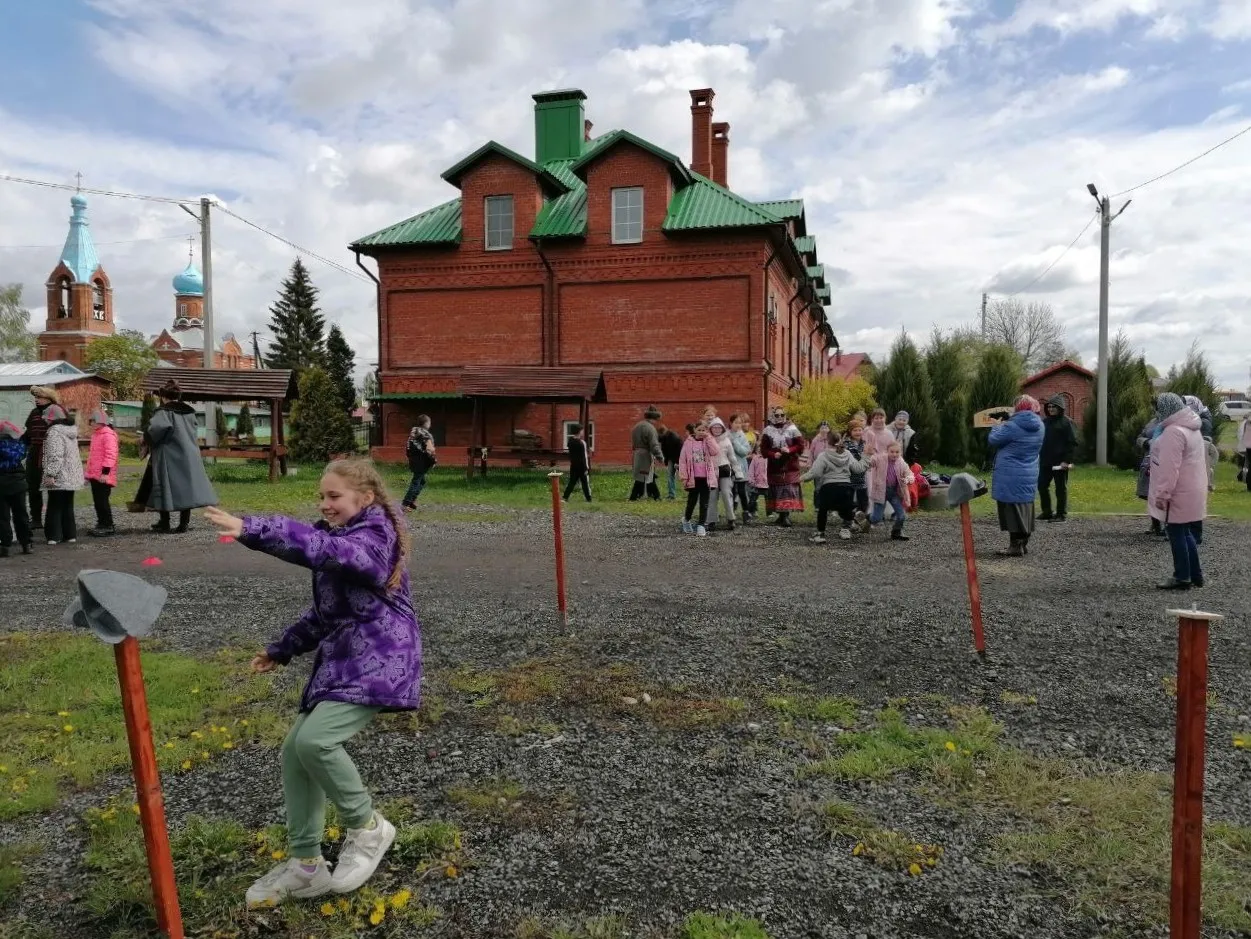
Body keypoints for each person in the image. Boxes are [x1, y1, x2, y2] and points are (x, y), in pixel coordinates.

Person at [203, 459, 420, 907]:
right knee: (295, 751)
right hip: (342, 661)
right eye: (321, 497)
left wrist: (253, 528)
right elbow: (326, 614)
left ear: (366, 498)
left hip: (382, 659)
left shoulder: (374, 539)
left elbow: (325, 551)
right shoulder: (339, 538)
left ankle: (368, 827)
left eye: (334, 496)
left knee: (317, 742)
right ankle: (306, 867)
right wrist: (281, 649)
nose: (325, 504)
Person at [134, 381, 218, 532]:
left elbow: (156, 429)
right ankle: (183, 524)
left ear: (164, 397)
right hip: (189, 455)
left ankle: (164, 523)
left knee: (164, 486)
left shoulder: (164, 411)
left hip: (169, 456)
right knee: (187, 488)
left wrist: (145, 438)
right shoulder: (190, 412)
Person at [1149, 393, 1208, 590]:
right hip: (1193, 489)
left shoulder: (1173, 431)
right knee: (1185, 532)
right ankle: (1195, 574)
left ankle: (1182, 576)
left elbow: (1169, 468)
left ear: (1165, 409)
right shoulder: (1192, 427)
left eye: (1157, 408)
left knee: (1176, 533)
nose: (1156, 413)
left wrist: (1162, 494)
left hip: (1178, 491)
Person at [988, 395, 1044, 557]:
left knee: (1011, 511)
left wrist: (996, 425)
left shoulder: (1013, 426)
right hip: (1029, 472)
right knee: (1025, 509)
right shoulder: (1040, 425)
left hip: (1010, 474)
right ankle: (1023, 543)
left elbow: (994, 439)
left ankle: (1015, 547)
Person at [801, 431, 866, 543]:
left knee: (823, 510)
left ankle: (820, 534)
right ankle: (854, 516)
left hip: (829, 487)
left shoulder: (824, 455)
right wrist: (867, 457)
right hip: (846, 487)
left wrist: (802, 478)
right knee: (844, 508)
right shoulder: (847, 454)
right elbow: (858, 469)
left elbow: (815, 473)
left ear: (827, 441)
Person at [41, 404, 84, 546]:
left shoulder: (54, 432)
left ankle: (54, 536)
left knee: (54, 505)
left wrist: (50, 474)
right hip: (72, 475)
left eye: (46, 418)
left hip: (60, 474)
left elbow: (56, 455)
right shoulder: (70, 431)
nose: (45, 420)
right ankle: (70, 535)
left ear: (52, 419)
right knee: (67, 505)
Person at [760, 407, 806, 526]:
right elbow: (763, 449)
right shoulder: (768, 430)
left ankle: (785, 515)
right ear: (773, 416)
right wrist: (773, 454)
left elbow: (801, 445)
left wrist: (790, 450)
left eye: (782, 415)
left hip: (790, 464)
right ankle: (781, 515)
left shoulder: (792, 428)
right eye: (777, 415)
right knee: (776, 489)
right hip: (774, 465)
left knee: (787, 488)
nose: (780, 417)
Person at [22, 386, 58, 530]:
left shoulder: (56, 411)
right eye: (35, 398)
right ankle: (36, 519)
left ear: (48, 398)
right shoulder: (34, 413)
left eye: (39, 397)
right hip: (34, 453)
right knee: (33, 488)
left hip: (51, 453)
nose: (36, 400)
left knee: (53, 489)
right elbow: (28, 434)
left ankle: (54, 521)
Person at [1038, 395, 1077, 522]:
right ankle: (1047, 512)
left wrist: (1067, 460)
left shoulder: (1067, 422)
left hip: (1060, 462)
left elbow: (1072, 442)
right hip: (1045, 461)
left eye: (1053, 406)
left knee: (1060, 488)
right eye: (1049, 406)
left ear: (1060, 408)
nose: (1050, 409)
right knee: (1042, 486)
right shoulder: (1045, 422)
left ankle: (1061, 514)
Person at [868, 441, 915, 541]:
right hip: (881, 491)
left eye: (897, 452)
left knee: (901, 516)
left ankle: (896, 532)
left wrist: (907, 479)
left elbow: (910, 474)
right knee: (876, 518)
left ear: (900, 453)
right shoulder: (880, 458)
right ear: (887, 451)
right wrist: (868, 454)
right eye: (892, 452)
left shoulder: (901, 463)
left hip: (894, 492)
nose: (894, 454)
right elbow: (870, 462)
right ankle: (868, 518)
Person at [0, 421, 33, 557]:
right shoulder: (19, 446)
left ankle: (5, 545)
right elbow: (24, 454)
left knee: (2, 517)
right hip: (18, 484)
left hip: (1, 484)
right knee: (21, 514)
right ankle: (26, 543)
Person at [85, 407, 119, 537]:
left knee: (102, 501)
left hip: (103, 475)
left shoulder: (108, 435)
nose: (91, 424)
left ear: (101, 421)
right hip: (96, 474)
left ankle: (108, 525)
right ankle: (101, 523)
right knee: (98, 501)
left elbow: (111, 455)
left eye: (93, 421)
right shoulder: (97, 435)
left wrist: (105, 473)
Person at [678, 421, 716, 536]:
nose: (701, 432)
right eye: (699, 430)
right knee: (692, 502)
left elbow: (715, 451)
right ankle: (686, 519)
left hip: (706, 478)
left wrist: (709, 438)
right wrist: (684, 476)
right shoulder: (688, 443)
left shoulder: (708, 441)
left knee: (704, 503)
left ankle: (701, 525)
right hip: (693, 479)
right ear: (694, 430)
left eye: (704, 430)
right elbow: (682, 460)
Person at [703, 418, 737, 531]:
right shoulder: (706, 440)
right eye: (714, 427)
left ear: (722, 428)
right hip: (711, 471)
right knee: (712, 496)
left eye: (719, 427)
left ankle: (731, 518)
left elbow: (732, 457)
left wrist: (738, 471)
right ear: (711, 428)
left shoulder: (727, 441)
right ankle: (711, 520)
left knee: (727, 495)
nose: (717, 429)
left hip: (724, 470)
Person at [1136, 411, 1165, 536]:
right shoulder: (1152, 422)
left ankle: (1168, 526)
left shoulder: (1174, 423)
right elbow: (1140, 437)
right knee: (1150, 494)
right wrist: (1146, 442)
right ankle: (1155, 524)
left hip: (1165, 461)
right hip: (1149, 461)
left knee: (1164, 495)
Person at [1183, 395, 1218, 492]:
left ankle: (1206, 485)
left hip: (1203, 446)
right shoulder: (1202, 416)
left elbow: (1205, 441)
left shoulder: (1203, 420)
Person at [629, 406, 664, 501]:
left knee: (644, 476)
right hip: (645, 454)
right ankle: (636, 496)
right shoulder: (650, 428)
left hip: (637, 453)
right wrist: (660, 456)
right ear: (655, 418)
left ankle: (649, 495)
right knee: (645, 476)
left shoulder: (637, 426)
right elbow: (654, 445)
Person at [402, 417, 436, 510]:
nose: (430, 424)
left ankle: (411, 501)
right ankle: (405, 504)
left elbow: (408, 448)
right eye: (429, 422)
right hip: (422, 461)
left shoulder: (413, 433)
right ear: (426, 423)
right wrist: (433, 460)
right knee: (416, 482)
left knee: (421, 481)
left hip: (413, 460)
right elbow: (430, 449)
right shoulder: (425, 434)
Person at [845, 419, 871, 532]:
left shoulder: (865, 443)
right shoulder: (846, 444)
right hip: (849, 478)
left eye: (860, 430)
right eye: (855, 430)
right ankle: (848, 523)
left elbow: (870, 456)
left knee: (864, 503)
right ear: (850, 432)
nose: (858, 432)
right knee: (849, 503)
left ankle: (857, 521)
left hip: (862, 479)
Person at [728, 413, 752, 519]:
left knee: (742, 491)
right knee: (732, 490)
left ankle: (746, 511)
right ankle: (732, 511)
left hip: (741, 467)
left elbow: (745, 451)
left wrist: (735, 443)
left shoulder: (742, 436)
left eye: (740, 423)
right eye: (736, 422)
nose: (738, 425)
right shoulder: (726, 435)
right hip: (730, 467)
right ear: (731, 423)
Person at [563, 422, 591, 503]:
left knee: (572, 482)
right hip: (581, 466)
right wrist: (586, 467)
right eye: (582, 430)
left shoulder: (570, 441)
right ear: (579, 431)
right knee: (585, 483)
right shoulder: (581, 443)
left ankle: (565, 497)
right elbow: (583, 457)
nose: (582, 432)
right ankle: (588, 499)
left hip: (574, 465)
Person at [658, 423, 683, 500]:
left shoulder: (673, 437)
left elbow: (679, 449)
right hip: (671, 459)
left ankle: (692, 492)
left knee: (685, 476)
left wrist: (677, 462)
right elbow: (664, 450)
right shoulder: (664, 438)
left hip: (677, 459)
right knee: (670, 476)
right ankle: (671, 495)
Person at [747, 441, 768, 517]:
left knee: (768, 499)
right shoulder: (755, 459)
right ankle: (750, 511)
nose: (761, 449)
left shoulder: (769, 458)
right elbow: (751, 470)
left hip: (767, 483)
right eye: (759, 447)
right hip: (756, 484)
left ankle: (769, 512)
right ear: (756, 449)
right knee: (753, 499)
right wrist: (751, 480)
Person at [1240, 411, 1251, 493]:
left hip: (1248, 446)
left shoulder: (1247, 422)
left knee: (1248, 465)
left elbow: (1243, 434)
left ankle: (1248, 486)